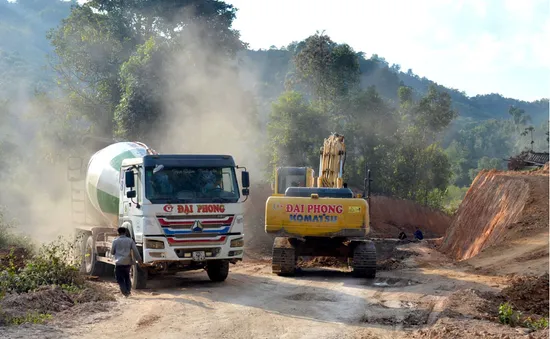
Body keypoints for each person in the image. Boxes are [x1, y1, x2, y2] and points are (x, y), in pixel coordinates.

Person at [111, 225, 143, 297]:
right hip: (128, 263)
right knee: (127, 277)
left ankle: (125, 292)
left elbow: (112, 252)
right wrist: (139, 260)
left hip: (119, 263)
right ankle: (128, 291)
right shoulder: (130, 241)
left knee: (119, 278)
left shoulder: (115, 241)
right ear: (125, 232)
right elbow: (135, 251)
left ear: (118, 233)